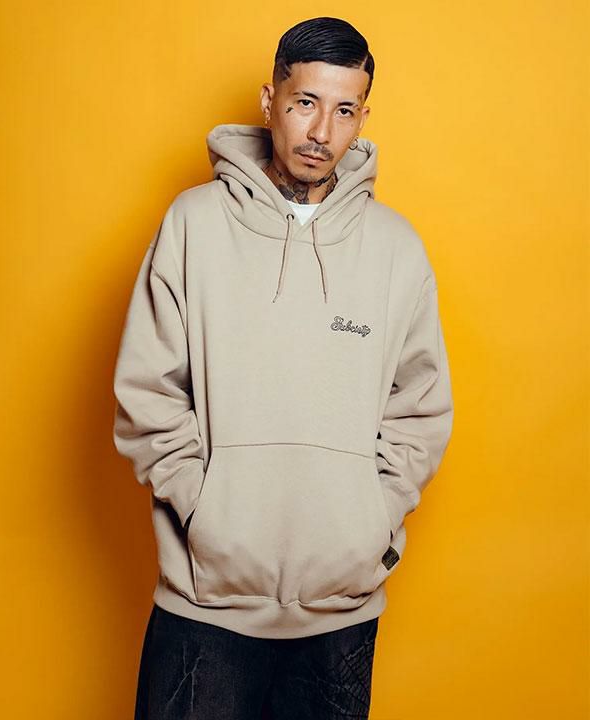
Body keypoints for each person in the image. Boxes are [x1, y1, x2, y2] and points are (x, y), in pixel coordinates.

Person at [112, 15, 454, 720]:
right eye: (305, 103)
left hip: (340, 613)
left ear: (363, 118)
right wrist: (205, 511)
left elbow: (420, 409)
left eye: (345, 110)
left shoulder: (396, 249)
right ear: (270, 101)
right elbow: (147, 392)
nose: (322, 131)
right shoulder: (193, 225)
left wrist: (369, 522)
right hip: (205, 605)